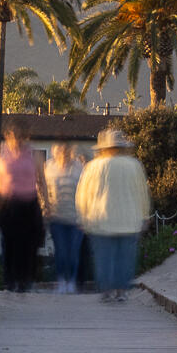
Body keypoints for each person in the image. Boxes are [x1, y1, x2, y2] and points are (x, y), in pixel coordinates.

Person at [75, 126, 149, 303]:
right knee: (125, 258)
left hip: (101, 220)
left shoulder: (93, 167)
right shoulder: (134, 165)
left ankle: (107, 290)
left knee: (104, 258)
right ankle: (122, 290)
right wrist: (145, 216)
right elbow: (142, 192)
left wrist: (82, 217)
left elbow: (83, 194)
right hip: (129, 220)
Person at [0, 120, 45, 292]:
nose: (17, 140)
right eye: (13, 136)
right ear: (7, 136)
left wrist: (47, 202)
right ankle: (10, 280)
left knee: (28, 244)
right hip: (7, 204)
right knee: (9, 242)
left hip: (29, 204)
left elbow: (42, 180)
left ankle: (25, 281)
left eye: (20, 137)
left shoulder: (34, 154)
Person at [42, 140, 86, 294]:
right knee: (61, 251)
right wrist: (45, 208)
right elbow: (43, 189)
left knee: (73, 252)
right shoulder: (48, 168)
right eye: (59, 151)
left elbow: (86, 191)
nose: (63, 154)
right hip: (57, 217)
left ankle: (71, 281)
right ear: (55, 152)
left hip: (77, 217)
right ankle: (61, 281)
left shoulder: (79, 168)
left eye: (65, 151)